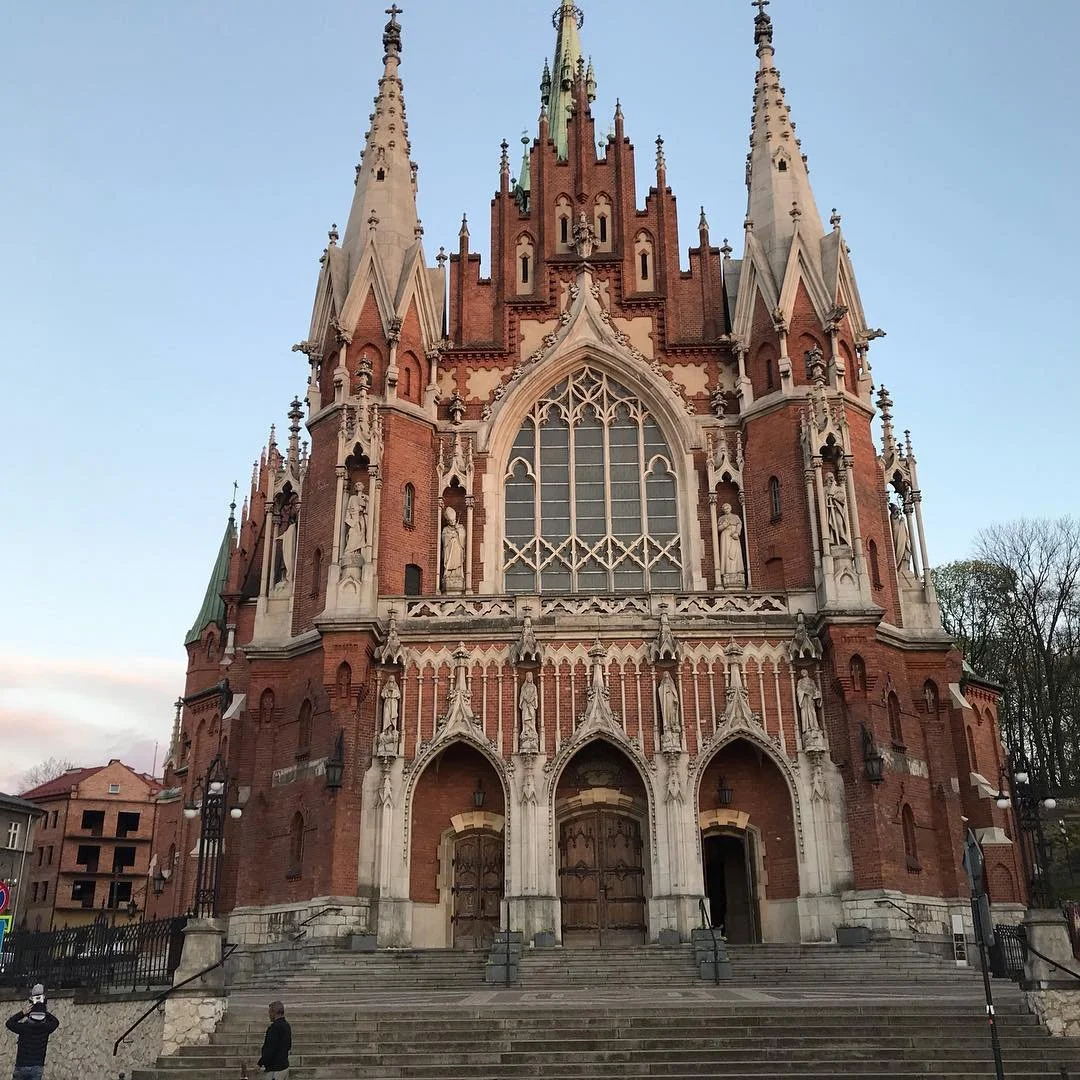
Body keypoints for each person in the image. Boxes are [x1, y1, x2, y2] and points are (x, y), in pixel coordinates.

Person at [6, 983, 59, 1080]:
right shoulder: (46, 1028)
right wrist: (44, 1010)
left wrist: (22, 1012)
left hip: (21, 1066)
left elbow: (9, 1023)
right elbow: (56, 1022)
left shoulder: (24, 1028)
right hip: (37, 1067)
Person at [257, 1000, 291, 1079]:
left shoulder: (274, 1028)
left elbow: (270, 1048)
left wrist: (260, 1063)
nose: (269, 1015)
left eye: (270, 1012)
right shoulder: (287, 1025)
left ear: (274, 1012)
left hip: (275, 1069)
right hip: (284, 1066)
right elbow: (289, 1046)